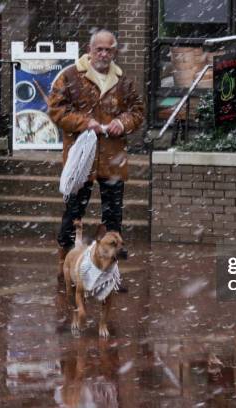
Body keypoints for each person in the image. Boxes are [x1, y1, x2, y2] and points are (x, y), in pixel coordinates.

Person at [48, 29, 144, 286]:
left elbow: (137, 111)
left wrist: (122, 124)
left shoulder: (123, 81)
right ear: (89, 50)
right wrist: (83, 122)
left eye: (108, 49)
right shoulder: (69, 76)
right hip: (81, 160)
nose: (103, 54)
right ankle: (65, 269)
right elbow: (56, 110)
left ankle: (110, 274)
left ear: (115, 51)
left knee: (113, 219)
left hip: (113, 159)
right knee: (72, 215)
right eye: (99, 49)